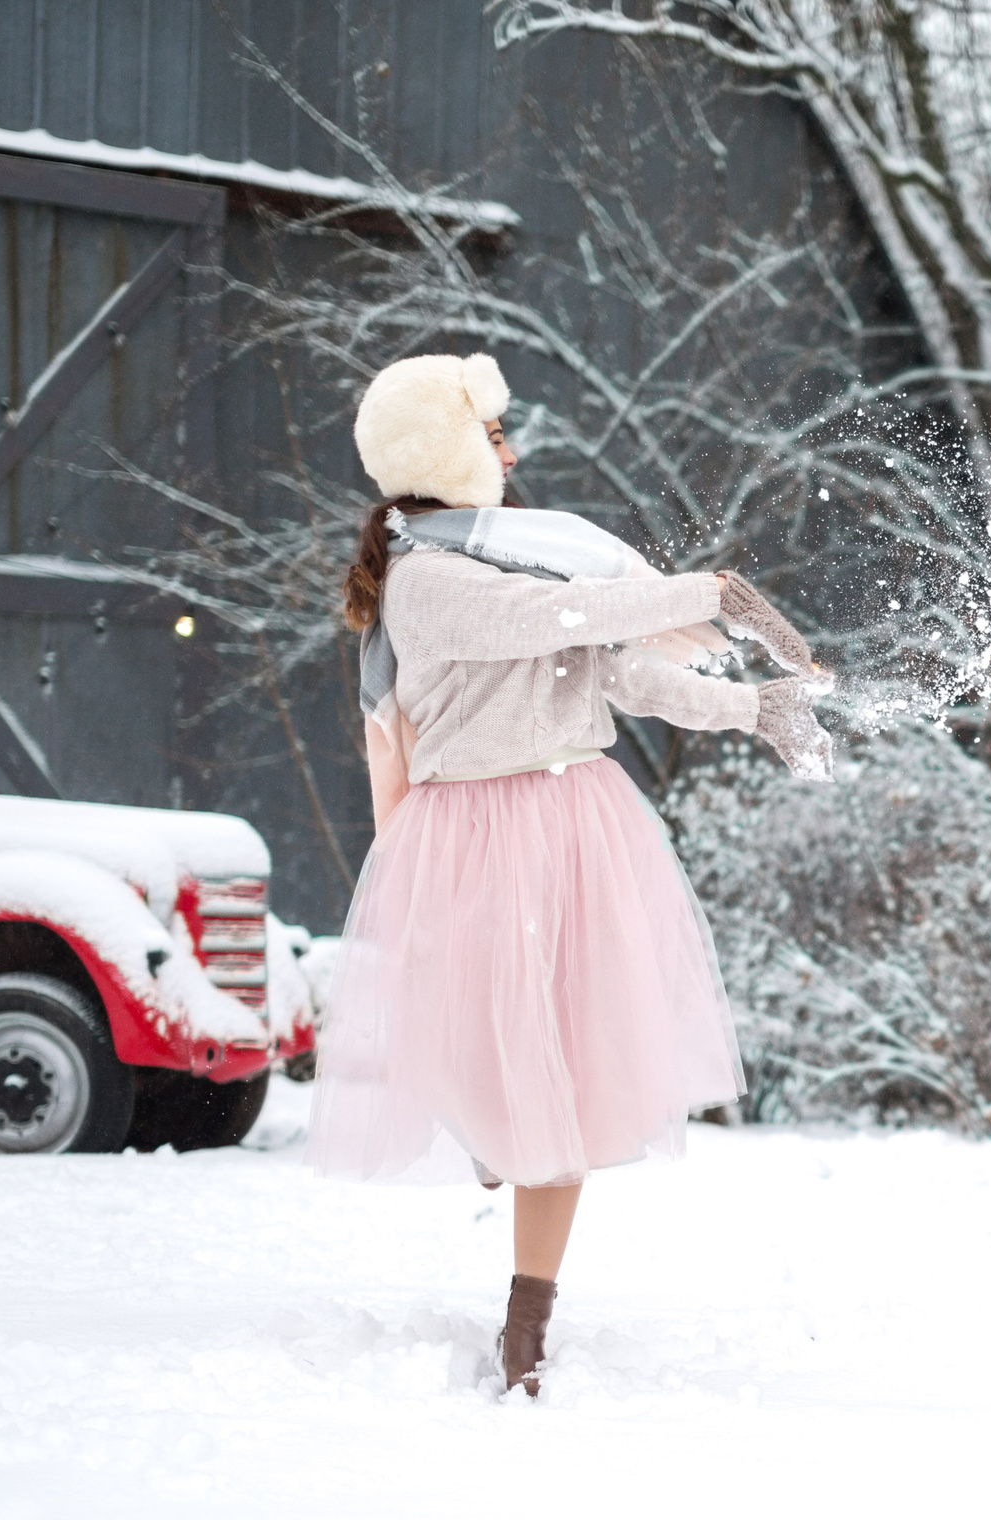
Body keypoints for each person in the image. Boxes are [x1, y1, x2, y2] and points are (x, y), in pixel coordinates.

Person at [307, 352, 832, 1397]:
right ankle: (495, 1133)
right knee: (491, 1057)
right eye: (491, 437)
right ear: (442, 454)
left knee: (569, 1079)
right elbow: (553, 622)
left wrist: (751, 708)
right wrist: (710, 595)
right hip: (472, 838)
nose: (511, 456)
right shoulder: (428, 582)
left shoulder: (531, 556)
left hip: (577, 821)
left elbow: (624, 671)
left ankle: (527, 1324)